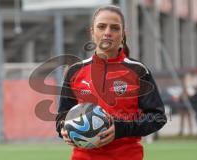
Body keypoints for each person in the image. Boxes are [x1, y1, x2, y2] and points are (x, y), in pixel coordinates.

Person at [56, 5, 167, 160]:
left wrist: (120, 129)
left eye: (114, 28)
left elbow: (157, 117)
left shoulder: (139, 71)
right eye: (101, 27)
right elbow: (62, 116)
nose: (107, 32)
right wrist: (64, 129)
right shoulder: (75, 71)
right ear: (92, 32)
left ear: (123, 34)